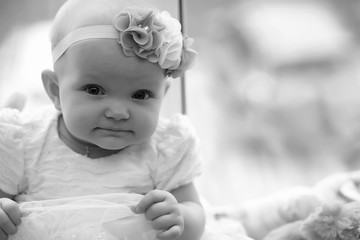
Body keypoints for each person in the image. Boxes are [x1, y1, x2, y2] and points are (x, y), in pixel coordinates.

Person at [0, 0, 212, 239]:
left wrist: (180, 218)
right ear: (55, 91)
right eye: (94, 90)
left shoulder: (164, 149)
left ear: (163, 94)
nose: (118, 112)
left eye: (140, 95)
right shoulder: (23, 145)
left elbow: (195, 214)